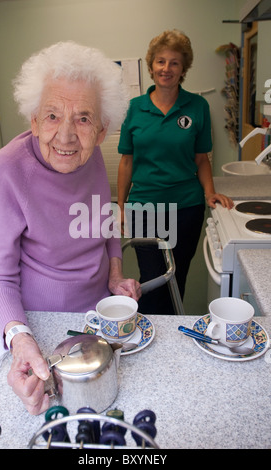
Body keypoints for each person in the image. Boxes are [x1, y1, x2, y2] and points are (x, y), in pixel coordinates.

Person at [0, 41, 141, 415]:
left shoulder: (92, 157)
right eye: (52, 115)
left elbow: (106, 223)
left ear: (102, 131)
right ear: (34, 120)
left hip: (99, 318)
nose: (67, 135)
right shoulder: (8, 168)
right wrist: (20, 340)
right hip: (41, 327)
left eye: (83, 118)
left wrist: (116, 275)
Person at [117, 30, 233, 315]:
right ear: (151, 65)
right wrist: (120, 206)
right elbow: (126, 162)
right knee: (153, 277)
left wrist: (209, 192)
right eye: (160, 61)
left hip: (186, 206)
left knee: (175, 276)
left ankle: (169, 341)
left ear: (183, 69)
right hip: (144, 205)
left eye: (174, 63)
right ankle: (151, 334)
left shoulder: (197, 107)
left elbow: (201, 159)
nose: (166, 69)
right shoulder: (134, 109)